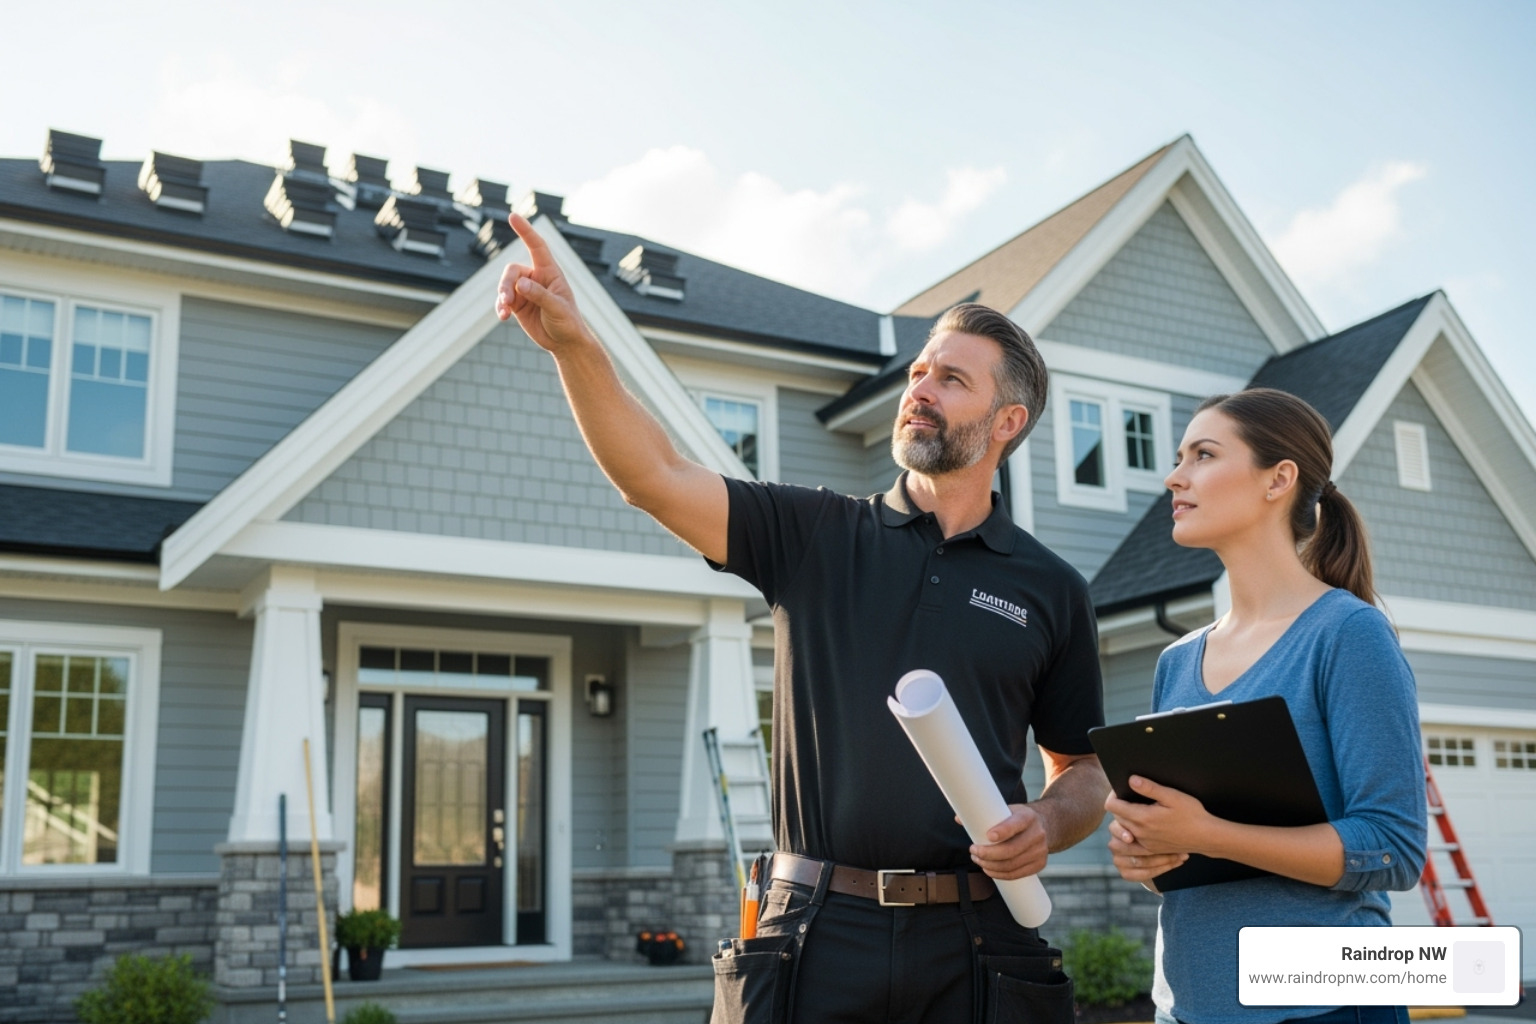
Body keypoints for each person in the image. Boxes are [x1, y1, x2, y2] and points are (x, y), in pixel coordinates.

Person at [495, 213, 1110, 1023]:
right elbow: (653, 476)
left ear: (1007, 423)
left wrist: (1046, 820)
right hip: (815, 931)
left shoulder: (1051, 588)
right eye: (919, 371)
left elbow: (1084, 771)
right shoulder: (816, 534)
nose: (918, 388)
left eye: (951, 379)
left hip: (979, 936)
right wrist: (576, 345)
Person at [1106, 388, 1428, 1024]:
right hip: (1189, 1008)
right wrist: (1147, 856)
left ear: (1279, 479)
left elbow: (1393, 847)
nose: (1175, 476)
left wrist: (1209, 834)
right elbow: (1180, 860)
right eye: (1178, 457)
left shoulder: (1346, 633)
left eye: (1203, 454)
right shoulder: (1177, 662)